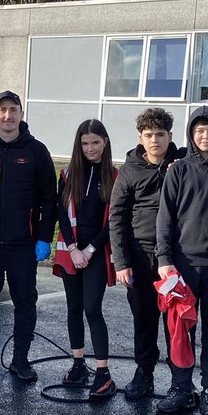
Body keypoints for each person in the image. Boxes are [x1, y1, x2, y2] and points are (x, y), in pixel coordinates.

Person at [155, 105, 208, 415]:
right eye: (200, 130)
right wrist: (165, 260)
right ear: (191, 134)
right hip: (182, 265)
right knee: (180, 329)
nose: (206, 136)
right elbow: (165, 219)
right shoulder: (178, 170)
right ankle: (181, 387)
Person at [0, 91, 57, 382]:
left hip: (24, 244)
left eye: (13, 110)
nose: (8, 116)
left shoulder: (36, 151)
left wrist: (44, 237)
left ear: (21, 113)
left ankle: (20, 360)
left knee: (25, 302)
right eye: (2, 110)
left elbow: (49, 197)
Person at [110, 109, 178, 400]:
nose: (155, 140)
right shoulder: (130, 169)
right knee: (144, 319)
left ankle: (181, 379)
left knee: (178, 321)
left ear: (170, 137)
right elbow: (117, 216)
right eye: (149, 135)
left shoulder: (182, 163)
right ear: (141, 138)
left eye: (160, 135)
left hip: (175, 258)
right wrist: (121, 262)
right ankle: (144, 373)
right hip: (139, 256)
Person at [54, 119, 117, 399]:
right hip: (73, 251)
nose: (90, 148)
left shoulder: (115, 177)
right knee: (73, 307)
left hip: (97, 252)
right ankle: (78, 364)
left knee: (92, 308)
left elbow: (114, 220)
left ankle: (103, 373)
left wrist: (90, 249)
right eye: (84, 143)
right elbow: (61, 213)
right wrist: (72, 247)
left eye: (95, 142)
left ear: (105, 142)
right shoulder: (68, 174)